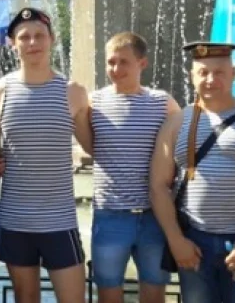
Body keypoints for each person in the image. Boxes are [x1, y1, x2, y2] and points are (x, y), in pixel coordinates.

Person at [149, 42, 235, 303]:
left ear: (233, 74)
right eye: (203, 73)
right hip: (194, 244)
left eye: (219, 72)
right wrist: (176, 240)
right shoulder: (176, 123)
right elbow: (158, 185)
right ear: (192, 76)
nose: (211, 80)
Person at [0, 7, 91, 303]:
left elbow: (94, 147)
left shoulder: (73, 92)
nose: (32, 43)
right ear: (12, 44)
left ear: (52, 39)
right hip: (15, 221)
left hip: (60, 221)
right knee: (26, 298)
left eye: (39, 36)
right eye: (24, 37)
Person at [82, 32, 181, 303]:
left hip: (154, 216)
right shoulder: (93, 102)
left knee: (154, 293)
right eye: (111, 62)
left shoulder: (163, 102)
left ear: (142, 63)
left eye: (123, 62)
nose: (116, 69)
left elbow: (187, 142)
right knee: (108, 293)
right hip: (110, 215)